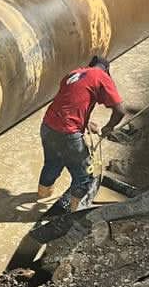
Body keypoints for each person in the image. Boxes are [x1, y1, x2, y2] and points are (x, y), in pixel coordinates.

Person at [37, 55, 128, 211]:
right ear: (106, 70)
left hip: (48, 126)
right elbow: (120, 111)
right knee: (84, 176)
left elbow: (70, 101)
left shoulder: (74, 74)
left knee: (52, 163)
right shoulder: (101, 76)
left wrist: (85, 123)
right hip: (68, 133)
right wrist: (108, 127)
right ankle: (73, 213)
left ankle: (41, 197)